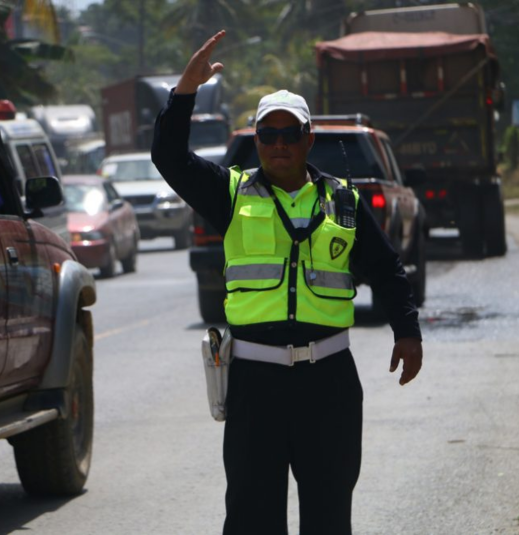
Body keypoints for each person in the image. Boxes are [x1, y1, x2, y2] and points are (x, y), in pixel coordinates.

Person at [152, 30, 423, 535]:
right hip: (256, 387)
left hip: (331, 385)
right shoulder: (230, 193)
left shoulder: (344, 201)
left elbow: (387, 269)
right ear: (257, 140)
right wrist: (183, 93)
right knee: (253, 520)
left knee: (328, 518)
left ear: (307, 139)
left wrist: (407, 331)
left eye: (289, 134)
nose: (279, 144)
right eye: (268, 135)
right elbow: (169, 158)